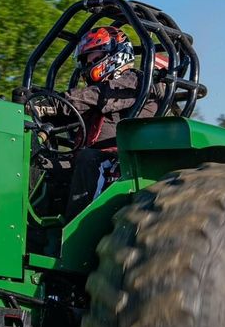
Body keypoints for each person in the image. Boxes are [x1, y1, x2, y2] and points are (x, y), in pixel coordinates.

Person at [63, 26, 160, 218]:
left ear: (117, 55)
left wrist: (59, 102)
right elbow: (74, 109)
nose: (90, 65)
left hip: (125, 161)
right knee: (48, 163)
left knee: (88, 160)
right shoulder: (94, 92)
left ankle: (74, 236)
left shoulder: (135, 81)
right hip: (95, 156)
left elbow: (101, 96)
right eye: (87, 61)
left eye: (96, 59)